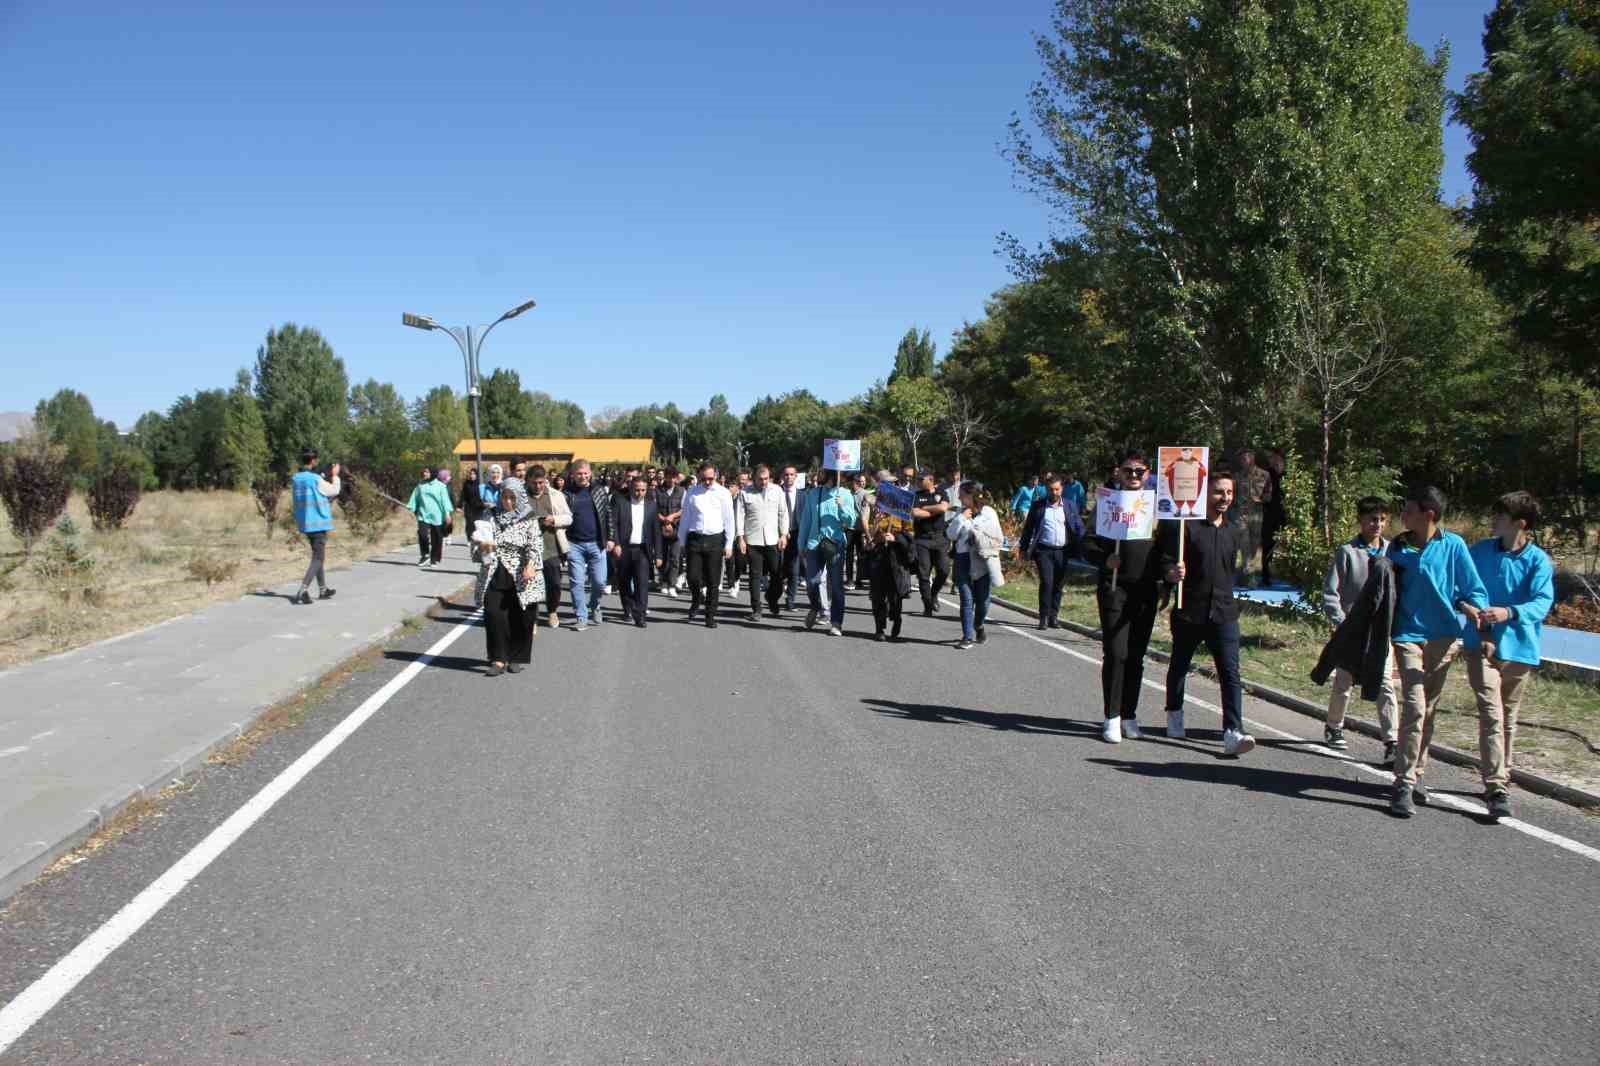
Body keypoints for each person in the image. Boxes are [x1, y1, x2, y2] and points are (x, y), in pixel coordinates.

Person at [1383, 484, 1490, 817]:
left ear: (1428, 514)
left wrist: (1476, 612)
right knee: (1414, 704)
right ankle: (1401, 783)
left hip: (1443, 638)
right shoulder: (1397, 548)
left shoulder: (1454, 545)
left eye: (1408, 508)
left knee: (1428, 709)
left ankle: (1417, 774)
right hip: (1406, 634)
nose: (1403, 514)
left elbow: (1472, 589)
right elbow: (1383, 591)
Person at [1463, 491, 1554, 822]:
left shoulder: (1538, 561)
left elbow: (1542, 603)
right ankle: (1496, 786)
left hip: (1520, 649)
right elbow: (1463, 587)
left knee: (1509, 719)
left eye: (1500, 516)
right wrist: (1476, 617)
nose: (1493, 521)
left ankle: (1503, 772)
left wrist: (1509, 612)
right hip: (1480, 645)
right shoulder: (1480, 552)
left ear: (1520, 524)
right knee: (1492, 714)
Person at [1160, 467, 1257, 756]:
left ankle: (1232, 731)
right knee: (1179, 666)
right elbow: (1165, 562)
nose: (1224, 497)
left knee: (1230, 673)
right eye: (1218, 492)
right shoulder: (1186, 528)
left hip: (1225, 613)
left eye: (1228, 492)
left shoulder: (1234, 530)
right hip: (1190, 611)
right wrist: (1171, 572)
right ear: (1205, 494)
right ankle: (1174, 713)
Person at [1088, 451, 1161, 743]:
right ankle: (1112, 716)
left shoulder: (1157, 507)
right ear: (1118, 472)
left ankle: (1129, 714)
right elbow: (1086, 543)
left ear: (1147, 473)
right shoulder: (1107, 502)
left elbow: (1168, 547)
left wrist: (1170, 570)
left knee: (1136, 657)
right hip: (1114, 588)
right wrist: (1104, 559)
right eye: (1128, 471)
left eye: (1139, 471)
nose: (1133, 476)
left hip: (1145, 589)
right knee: (1116, 654)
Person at [1320, 496, 1398, 755]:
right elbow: (1331, 592)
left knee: (1385, 682)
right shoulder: (1347, 552)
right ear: (1361, 521)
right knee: (1344, 681)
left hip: (1381, 632)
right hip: (1352, 629)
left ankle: (1391, 740)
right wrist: (1341, 622)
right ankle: (1334, 725)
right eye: (1372, 519)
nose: (1377, 524)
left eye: (1382, 519)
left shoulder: (1393, 552)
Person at [477, 477, 542, 676]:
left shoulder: (528, 516)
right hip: (495, 569)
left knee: (522, 616)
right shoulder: (490, 515)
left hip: (522, 571)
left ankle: (516, 657)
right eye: (505, 497)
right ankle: (498, 659)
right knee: (494, 614)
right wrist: (482, 546)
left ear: (519, 498)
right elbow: (479, 539)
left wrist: (531, 564)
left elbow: (536, 544)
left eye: (512, 498)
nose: (508, 502)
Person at [797, 470, 858, 636]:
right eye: (832, 476)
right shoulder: (814, 494)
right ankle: (816, 607)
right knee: (812, 582)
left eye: (838, 476)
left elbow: (851, 521)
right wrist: (800, 545)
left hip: (835, 544)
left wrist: (842, 506)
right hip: (814, 544)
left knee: (837, 585)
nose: (835, 478)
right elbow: (806, 520)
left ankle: (836, 623)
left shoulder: (845, 494)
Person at [1018, 474, 1083, 629]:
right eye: (1051, 489)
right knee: (1047, 582)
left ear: (1062, 489)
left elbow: (1078, 526)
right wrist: (1023, 548)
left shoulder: (1070, 505)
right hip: (1043, 550)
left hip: (1062, 550)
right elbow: (1028, 529)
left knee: (1058, 585)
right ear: (1046, 489)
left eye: (1057, 489)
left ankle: (1054, 617)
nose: (1054, 492)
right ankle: (1043, 616)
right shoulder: (1038, 506)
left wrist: (1083, 542)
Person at [678, 461, 736, 627]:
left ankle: (710, 615)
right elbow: (685, 518)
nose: (708, 482)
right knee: (692, 577)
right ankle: (697, 598)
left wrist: (729, 544)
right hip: (695, 539)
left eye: (711, 478)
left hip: (715, 540)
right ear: (699, 477)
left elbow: (729, 520)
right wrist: (682, 541)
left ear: (715, 476)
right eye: (704, 479)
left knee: (713, 581)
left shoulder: (723, 493)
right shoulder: (692, 492)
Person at [949, 482, 1003, 650]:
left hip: (981, 559)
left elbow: (997, 538)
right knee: (966, 599)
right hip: (962, 559)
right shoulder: (959, 512)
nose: (959, 498)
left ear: (971, 495)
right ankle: (967, 637)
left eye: (962, 495)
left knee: (983, 601)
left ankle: (978, 625)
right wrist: (961, 518)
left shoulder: (989, 513)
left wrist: (978, 536)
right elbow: (950, 534)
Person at [862, 469, 914, 641]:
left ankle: (896, 617)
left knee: (895, 593)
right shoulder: (872, 503)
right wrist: (875, 528)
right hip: (878, 552)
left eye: (891, 483)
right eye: (885, 484)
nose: (889, 486)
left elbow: (910, 534)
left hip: (896, 555)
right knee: (877, 593)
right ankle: (879, 628)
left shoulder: (903, 503)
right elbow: (867, 530)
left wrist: (895, 537)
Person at [563, 459, 613, 631]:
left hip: (597, 543)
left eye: (585, 473)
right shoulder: (567, 493)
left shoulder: (598, 491)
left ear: (590, 473)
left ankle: (595, 605)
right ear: (573, 474)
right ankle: (581, 617)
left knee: (599, 582)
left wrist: (611, 538)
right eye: (579, 473)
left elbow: (608, 515)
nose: (583, 476)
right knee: (576, 582)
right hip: (574, 544)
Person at [608, 473, 663, 628]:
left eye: (643, 490)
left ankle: (640, 614)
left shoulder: (651, 505)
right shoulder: (621, 501)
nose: (640, 493)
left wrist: (658, 554)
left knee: (642, 583)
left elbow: (656, 531)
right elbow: (614, 525)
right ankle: (628, 608)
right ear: (631, 488)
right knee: (624, 582)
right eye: (637, 490)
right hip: (624, 549)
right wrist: (616, 543)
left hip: (642, 550)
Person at [739, 463, 790, 620]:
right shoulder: (745, 493)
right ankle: (756, 609)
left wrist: (784, 534)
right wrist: (740, 538)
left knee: (777, 576)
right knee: (755, 576)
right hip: (753, 541)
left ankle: (772, 598)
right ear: (754, 478)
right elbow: (739, 517)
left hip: (773, 540)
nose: (764, 482)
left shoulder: (777, 491)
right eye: (760, 479)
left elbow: (783, 513)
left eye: (766, 479)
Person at [291, 449, 340, 606]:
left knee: (318, 557)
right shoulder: (315, 479)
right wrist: (335, 475)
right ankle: (302, 590)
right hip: (318, 523)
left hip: (305, 522)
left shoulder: (296, 478)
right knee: (318, 558)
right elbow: (334, 490)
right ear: (313, 461)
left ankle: (323, 589)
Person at [528, 465, 570, 628]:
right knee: (530, 584)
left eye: (541, 482)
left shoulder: (555, 495)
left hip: (551, 547)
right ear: (528, 482)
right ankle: (532, 617)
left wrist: (554, 519)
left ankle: (552, 611)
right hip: (529, 549)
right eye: (534, 483)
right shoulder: (521, 496)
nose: (538, 486)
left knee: (554, 583)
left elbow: (568, 518)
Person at [910, 469, 952, 617]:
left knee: (944, 570)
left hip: (940, 537)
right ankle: (927, 604)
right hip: (922, 539)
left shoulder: (941, 492)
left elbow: (944, 507)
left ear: (931, 480)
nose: (918, 481)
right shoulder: (916, 495)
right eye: (918, 479)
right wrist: (934, 510)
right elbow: (915, 513)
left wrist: (926, 509)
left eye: (921, 479)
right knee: (923, 574)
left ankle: (933, 594)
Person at [1235, 449, 1273, 585]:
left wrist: (1261, 499)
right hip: (1241, 515)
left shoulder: (1264, 475)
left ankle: (1244, 574)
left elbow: (1269, 495)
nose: (1243, 461)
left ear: (1252, 458)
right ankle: (1250, 578)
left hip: (1257, 515)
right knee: (1243, 543)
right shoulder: (1237, 476)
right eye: (1241, 459)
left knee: (1254, 545)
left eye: (1245, 458)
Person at [406, 465, 453, 569]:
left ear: (433, 473)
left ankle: (434, 558)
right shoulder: (420, 485)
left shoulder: (441, 486)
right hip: (423, 514)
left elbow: (445, 501)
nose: (424, 474)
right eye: (423, 472)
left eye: (427, 472)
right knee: (422, 534)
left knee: (437, 538)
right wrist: (411, 506)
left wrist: (447, 514)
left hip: (437, 516)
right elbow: (415, 497)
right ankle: (425, 555)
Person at [656, 468, 686, 596]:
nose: (671, 480)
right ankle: (663, 581)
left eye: (673, 477)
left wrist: (672, 517)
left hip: (676, 528)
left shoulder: (682, 491)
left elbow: (684, 509)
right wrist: (663, 519)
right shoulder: (656, 491)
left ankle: (672, 584)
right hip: (660, 528)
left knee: (675, 557)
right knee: (662, 556)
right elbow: (653, 508)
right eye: (669, 477)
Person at [778, 464, 804, 612]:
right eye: (786, 474)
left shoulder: (803, 495)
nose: (789, 477)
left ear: (796, 476)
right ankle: (775, 595)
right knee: (778, 568)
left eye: (791, 474)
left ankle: (791, 600)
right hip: (779, 535)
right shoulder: (777, 492)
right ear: (783, 476)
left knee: (794, 570)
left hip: (796, 535)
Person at [1259, 449, 1286, 585]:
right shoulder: (1266, 474)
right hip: (1269, 514)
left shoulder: (1289, 474)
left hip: (1286, 515)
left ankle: (1290, 573)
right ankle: (1266, 575)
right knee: (1268, 545)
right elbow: (1259, 493)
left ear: (1280, 459)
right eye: (1270, 458)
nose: (1271, 460)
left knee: (1288, 545)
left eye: (1273, 457)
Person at [459, 466, 485, 548]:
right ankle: (469, 539)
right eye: (471, 474)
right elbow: (463, 495)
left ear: (476, 475)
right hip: (469, 507)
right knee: (469, 524)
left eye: (474, 474)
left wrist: (485, 505)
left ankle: (478, 539)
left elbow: (483, 496)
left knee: (478, 524)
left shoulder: (480, 485)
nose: (472, 475)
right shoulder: (466, 484)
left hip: (479, 507)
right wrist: (459, 506)